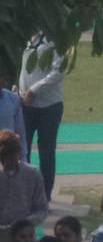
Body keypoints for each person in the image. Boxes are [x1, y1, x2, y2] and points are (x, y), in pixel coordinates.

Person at [16, 36, 64, 198]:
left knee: (47, 153)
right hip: (25, 105)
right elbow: (21, 67)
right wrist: (17, 88)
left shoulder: (55, 40)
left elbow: (59, 71)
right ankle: (26, 193)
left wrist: (33, 90)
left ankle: (45, 195)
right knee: (23, 151)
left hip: (49, 107)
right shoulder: (25, 36)